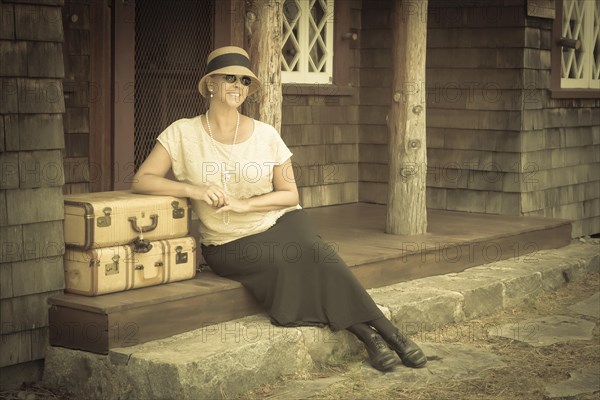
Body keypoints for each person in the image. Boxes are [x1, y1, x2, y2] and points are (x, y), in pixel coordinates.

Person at [131, 46, 427, 372]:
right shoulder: (182, 133)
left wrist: (244, 203)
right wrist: (193, 189)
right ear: (210, 84)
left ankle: (386, 334)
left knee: (314, 251)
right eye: (230, 78)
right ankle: (369, 333)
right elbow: (143, 179)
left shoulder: (266, 134)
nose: (238, 86)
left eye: (245, 81)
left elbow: (289, 194)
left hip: (280, 219)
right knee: (294, 259)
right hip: (229, 241)